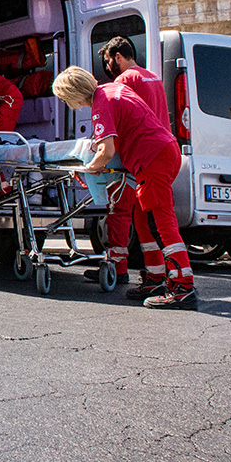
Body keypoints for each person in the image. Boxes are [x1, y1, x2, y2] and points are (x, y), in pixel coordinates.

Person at [53, 66, 197, 310]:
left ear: (74, 94)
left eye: (68, 100)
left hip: (152, 159)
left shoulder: (101, 105)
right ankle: (156, 277)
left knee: (162, 224)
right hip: (162, 152)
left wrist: (87, 169)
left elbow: (106, 151)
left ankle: (183, 285)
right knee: (143, 220)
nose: (71, 106)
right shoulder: (114, 89)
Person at [91, 37, 171, 286]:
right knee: (148, 221)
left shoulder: (123, 81)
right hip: (159, 150)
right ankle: (156, 273)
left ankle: (118, 268)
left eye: (108, 61)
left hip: (137, 156)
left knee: (119, 211)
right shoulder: (153, 77)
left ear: (117, 57)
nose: (107, 68)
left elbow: (119, 116)